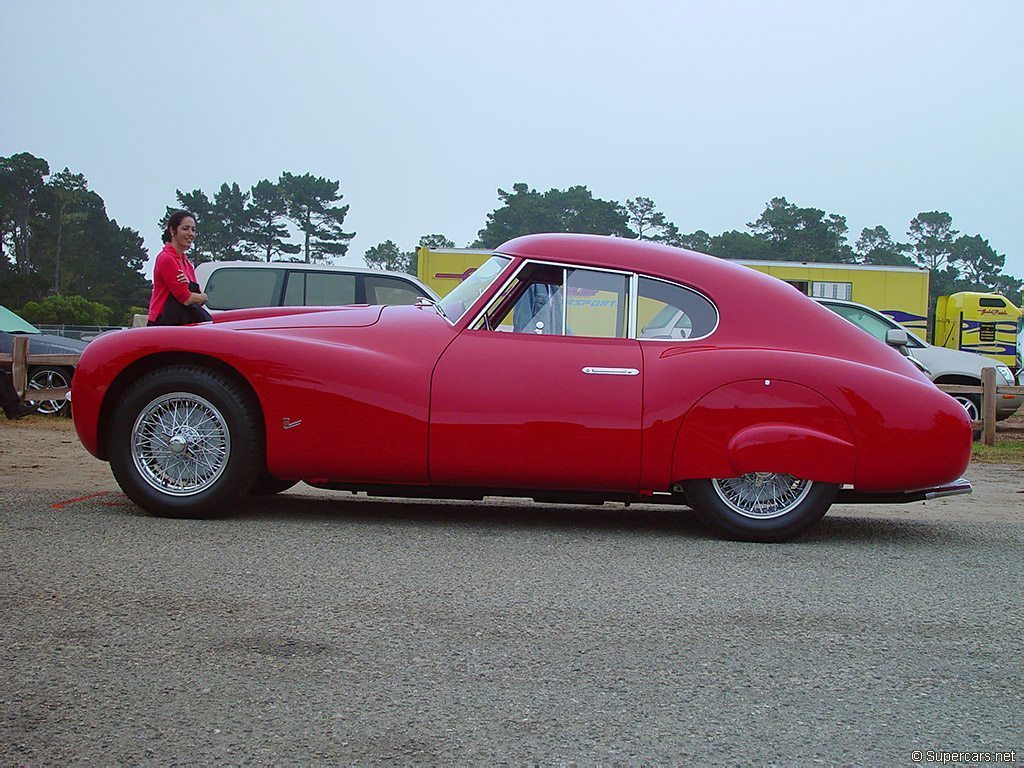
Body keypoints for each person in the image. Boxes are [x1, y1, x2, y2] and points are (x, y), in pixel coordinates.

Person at [147, 210, 210, 326]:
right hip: (163, 322)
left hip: (180, 321)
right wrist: (203, 296)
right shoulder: (166, 259)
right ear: (172, 230)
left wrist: (194, 293)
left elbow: (195, 296)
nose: (190, 233)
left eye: (193, 230)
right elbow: (186, 298)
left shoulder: (186, 263)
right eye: (185, 229)